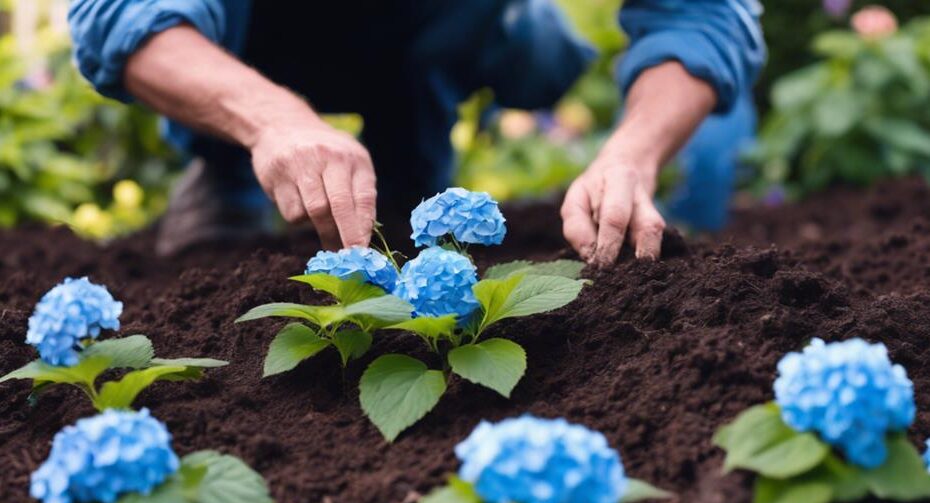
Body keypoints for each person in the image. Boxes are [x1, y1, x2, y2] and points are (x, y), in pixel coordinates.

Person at [68, 0, 764, 264]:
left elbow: (702, 15)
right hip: (263, 33)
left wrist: (632, 154)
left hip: (450, 22)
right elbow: (117, 16)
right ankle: (224, 172)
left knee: (541, 48)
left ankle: (408, 173)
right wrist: (273, 121)